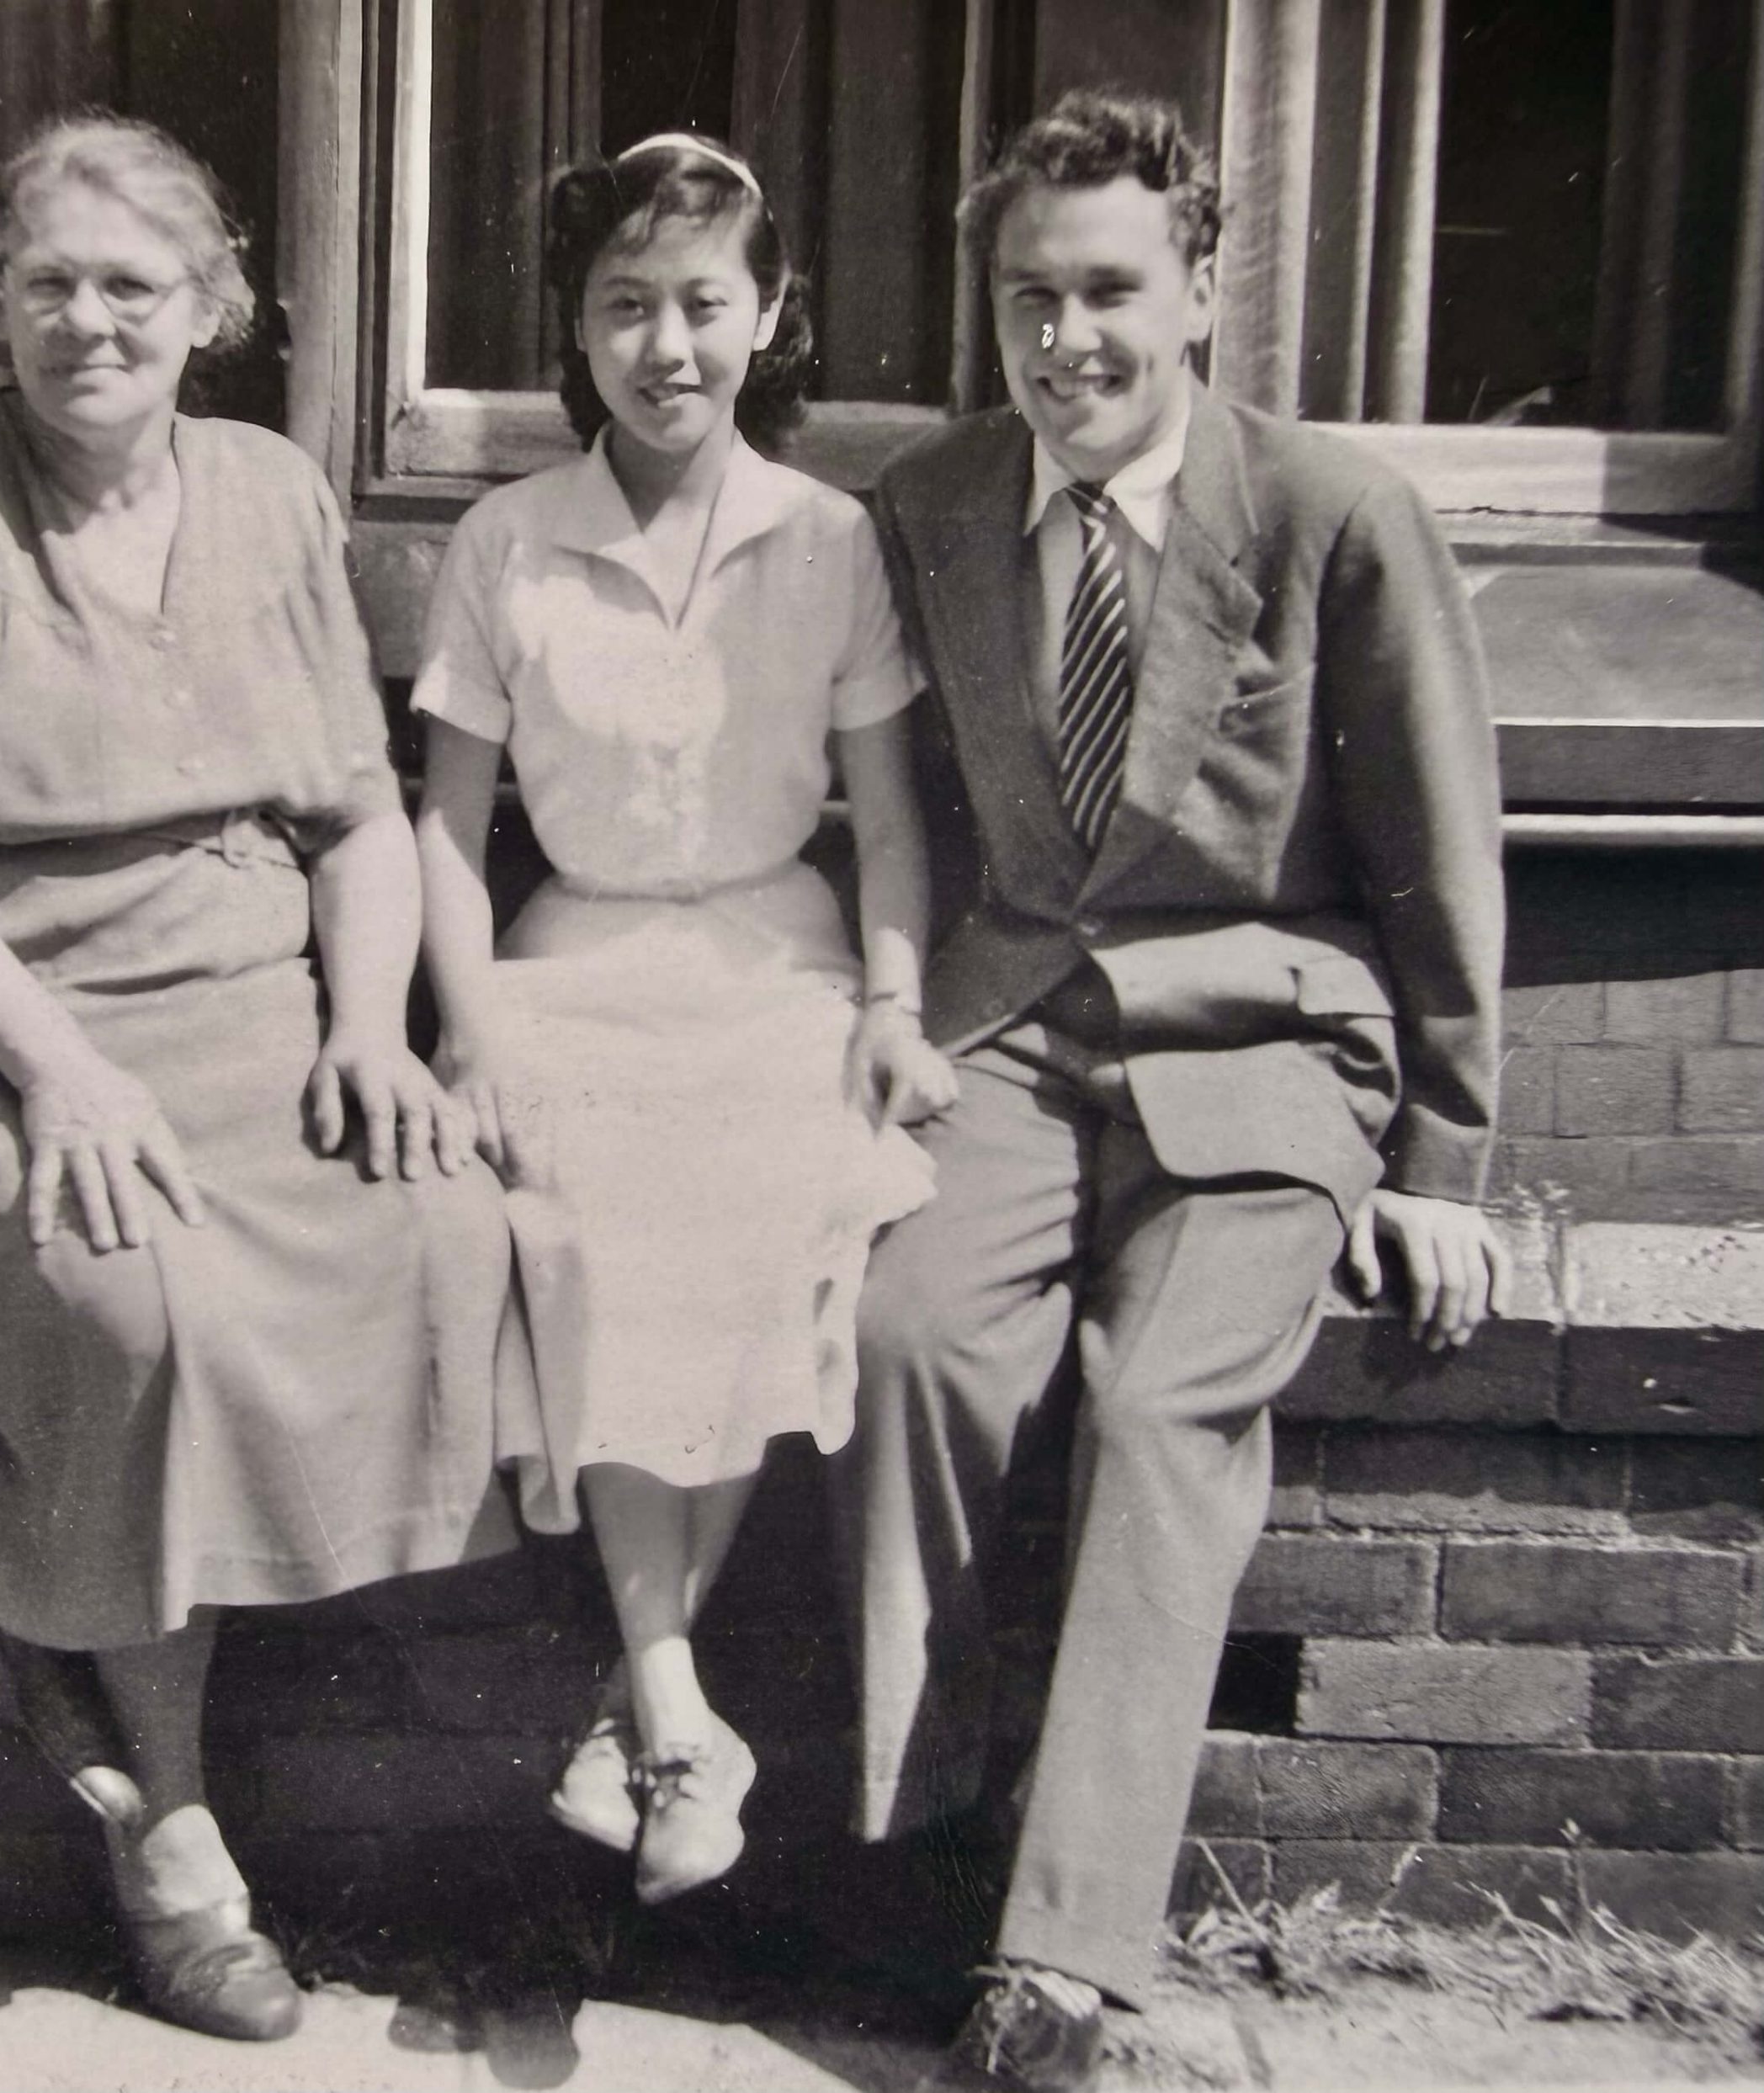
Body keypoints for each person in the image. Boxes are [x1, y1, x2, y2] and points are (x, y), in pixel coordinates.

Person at [0, 114, 515, 2043]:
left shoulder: (267, 487)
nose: (86, 320)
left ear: (211, 310)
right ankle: (170, 1830)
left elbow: (354, 817)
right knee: (133, 1292)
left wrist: (368, 1029)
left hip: (254, 1003)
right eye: (46, 283)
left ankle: (101, 1670)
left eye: (131, 284)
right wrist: (63, 1070)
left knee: (449, 1230)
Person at [837, 91, 1510, 2093]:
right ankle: (898, 1871)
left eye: (1110, 291)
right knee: (903, 1335)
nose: (1067, 341)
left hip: (1266, 1046)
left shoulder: (1329, 512)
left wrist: (1443, 1155)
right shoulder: (934, 504)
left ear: (1200, 287)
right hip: (1019, 1029)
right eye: (1026, 298)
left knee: (1154, 1399)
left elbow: (1435, 840)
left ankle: (1060, 1971)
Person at [413, 131, 955, 1906]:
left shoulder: (827, 543)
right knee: (578, 1213)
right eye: (623, 306)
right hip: (566, 959)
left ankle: (647, 1699)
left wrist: (887, 1001)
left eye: (703, 304)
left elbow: (885, 819)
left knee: (753, 1196)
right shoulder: (505, 539)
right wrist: (469, 1014)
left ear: (769, 313)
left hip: (777, 955)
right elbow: (440, 817)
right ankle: (669, 1703)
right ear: (571, 329)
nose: (666, 347)